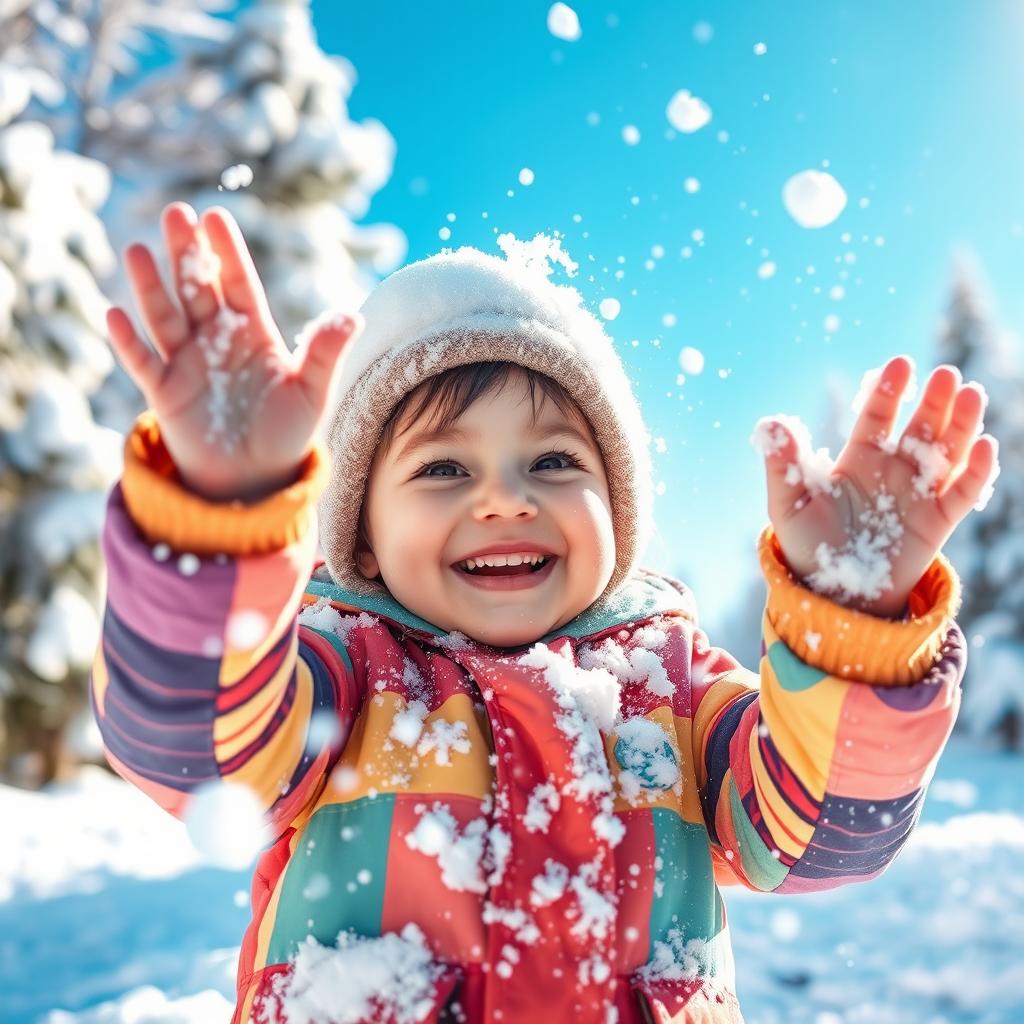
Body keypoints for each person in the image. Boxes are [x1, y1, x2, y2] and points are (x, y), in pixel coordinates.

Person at [92, 202, 998, 1024]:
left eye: (555, 463)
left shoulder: (673, 693)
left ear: (621, 514)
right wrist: (221, 520)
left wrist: (850, 616)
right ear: (361, 540)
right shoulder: (342, 674)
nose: (504, 501)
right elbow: (196, 746)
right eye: (443, 469)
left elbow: (824, 837)